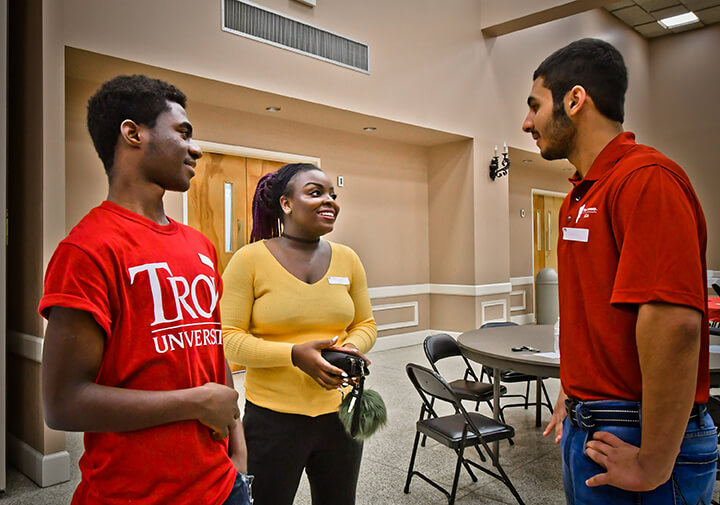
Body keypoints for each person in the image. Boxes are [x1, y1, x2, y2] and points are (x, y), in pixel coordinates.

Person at [40, 75, 251, 505]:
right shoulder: (87, 250)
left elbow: (208, 349)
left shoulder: (201, 246)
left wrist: (237, 442)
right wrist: (195, 402)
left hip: (221, 484)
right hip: (131, 494)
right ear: (133, 133)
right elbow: (62, 403)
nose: (196, 148)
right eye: (183, 132)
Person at [523, 38, 716, 504]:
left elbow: (674, 324)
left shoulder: (647, 179)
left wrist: (653, 461)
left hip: (639, 429)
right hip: (591, 420)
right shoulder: (580, 194)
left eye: (535, 105)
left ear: (575, 99)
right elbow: (593, 311)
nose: (527, 122)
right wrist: (575, 388)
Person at [220, 162, 377, 505]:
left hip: (340, 415)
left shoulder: (348, 259)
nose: (330, 201)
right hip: (272, 421)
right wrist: (293, 355)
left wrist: (349, 348)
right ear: (286, 204)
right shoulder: (249, 260)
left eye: (332, 195)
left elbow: (366, 324)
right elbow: (230, 339)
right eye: (315, 192)